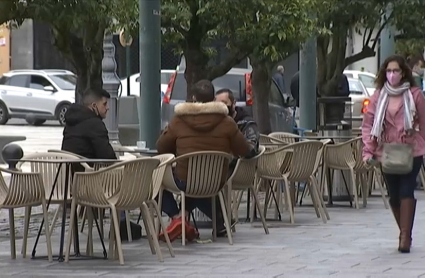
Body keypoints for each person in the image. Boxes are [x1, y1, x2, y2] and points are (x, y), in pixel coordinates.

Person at [156, 80, 251, 242]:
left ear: (193, 98)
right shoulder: (227, 122)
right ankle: (220, 222)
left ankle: (177, 217)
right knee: (201, 184)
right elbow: (244, 150)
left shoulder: (179, 121)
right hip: (215, 181)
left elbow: (161, 148)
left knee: (155, 178)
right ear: (213, 99)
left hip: (184, 181)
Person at [362, 54, 425, 253]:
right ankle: (404, 230)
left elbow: (424, 123)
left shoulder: (415, 95)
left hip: (411, 150)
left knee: (407, 190)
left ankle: (404, 237)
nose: (392, 75)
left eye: (396, 71)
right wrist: (368, 151)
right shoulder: (379, 96)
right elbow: (368, 125)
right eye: (388, 71)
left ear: (403, 72)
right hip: (387, 152)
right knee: (394, 195)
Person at [61, 88, 142, 241]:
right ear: (93, 106)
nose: (108, 107)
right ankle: (122, 223)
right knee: (123, 178)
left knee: (115, 176)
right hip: (92, 184)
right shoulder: (94, 124)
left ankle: (121, 222)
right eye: (104, 104)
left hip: (72, 182)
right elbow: (108, 157)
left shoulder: (71, 123)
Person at [214, 88, 259, 172]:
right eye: (217, 105)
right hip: (216, 168)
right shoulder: (214, 122)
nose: (221, 108)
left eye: (224, 103)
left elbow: (251, 149)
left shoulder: (247, 123)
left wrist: (228, 157)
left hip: (239, 171)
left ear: (234, 103)